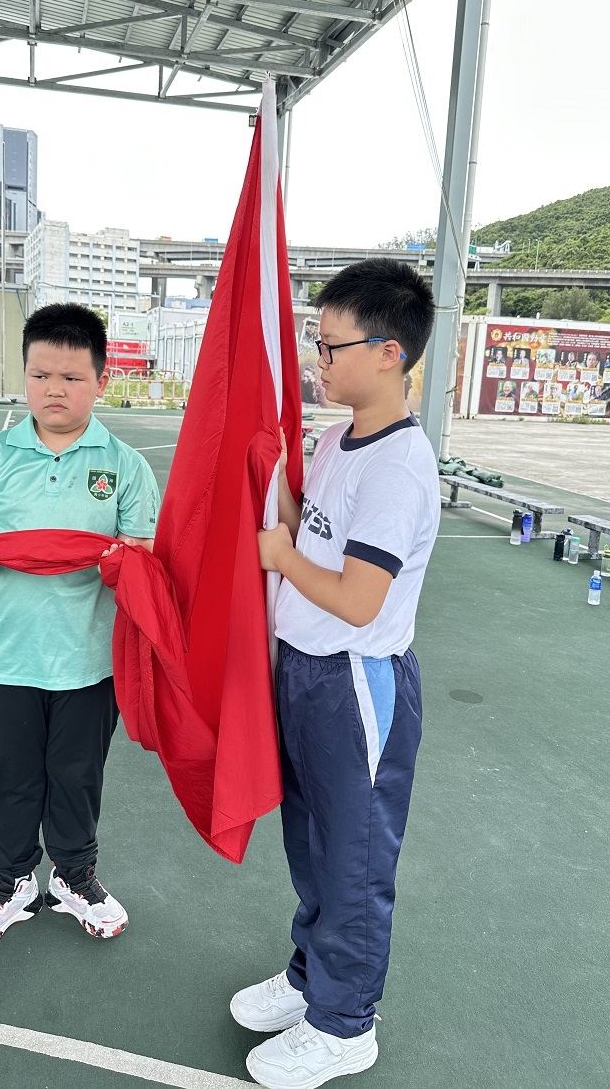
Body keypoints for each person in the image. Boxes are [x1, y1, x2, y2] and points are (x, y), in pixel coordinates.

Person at [233, 260, 439, 1089]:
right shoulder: (336, 440)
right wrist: (275, 489)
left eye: (330, 346)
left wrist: (280, 556)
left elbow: (358, 599)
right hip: (305, 673)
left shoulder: (398, 466)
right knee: (313, 843)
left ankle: (345, 1025)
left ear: (389, 354)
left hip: (356, 682)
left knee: (353, 860)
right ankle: (310, 977)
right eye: (315, 345)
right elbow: (312, 533)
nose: (317, 361)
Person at [0, 303, 160, 956]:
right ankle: (9, 883)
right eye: (40, 376)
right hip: (6, 658)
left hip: (89, 660)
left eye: (71, 377)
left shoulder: (124, 465)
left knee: (76, 775)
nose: (54, 390)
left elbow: (142, 554)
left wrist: (122, 559)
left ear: (101, 380)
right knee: (6, 777)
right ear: (25, 376)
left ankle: (73, 876)